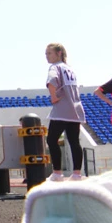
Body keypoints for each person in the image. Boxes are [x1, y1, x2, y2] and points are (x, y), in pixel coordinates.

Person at [44, 43, 86, 182]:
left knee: (51, 139)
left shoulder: (55, 67)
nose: (47, 56)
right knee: (74, 141)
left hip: (62, 109)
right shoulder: (70, 69)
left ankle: (57, 172)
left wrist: (54, 96)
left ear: (59, 53)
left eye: (49, 53)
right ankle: (76, 174)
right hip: (75, 109)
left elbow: (52, 82)